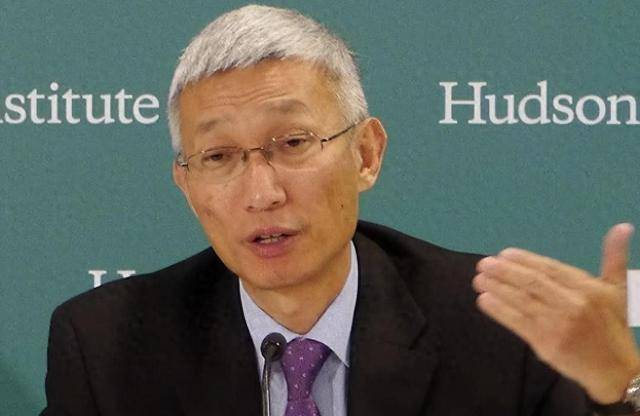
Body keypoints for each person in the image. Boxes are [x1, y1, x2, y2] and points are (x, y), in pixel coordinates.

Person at [41, 5, 640, 416]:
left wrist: (622, 387)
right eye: (219, 156)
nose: (262, 192)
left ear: (366, 154)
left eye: (292, 143)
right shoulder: (106, 348)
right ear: (187, 183)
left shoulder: (498, 328)